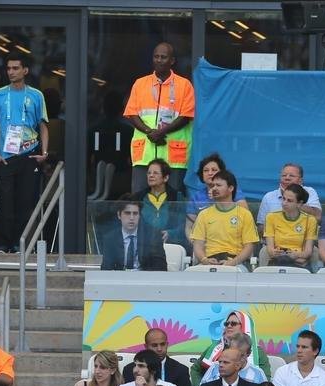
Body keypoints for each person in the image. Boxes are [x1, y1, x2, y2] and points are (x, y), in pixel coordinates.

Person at [0, 55, 48, 253]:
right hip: (6, 156)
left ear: (25, 70)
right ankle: (2, 244)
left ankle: (19, 244)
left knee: (25, 202)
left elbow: (43, 125)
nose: (11, 72)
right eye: (9, 68)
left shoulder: (36, 95)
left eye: (15, 68)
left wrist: (44, 152)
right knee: (5, 202)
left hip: (29, 155)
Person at [124, 43, 194, 193]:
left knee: (173, 201)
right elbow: (132, 113)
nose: (159, 60)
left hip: (173, 155)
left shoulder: (184, 85)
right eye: (156, 57)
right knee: (139, 198)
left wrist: (161, 132)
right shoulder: (140, 84)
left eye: (163, 57)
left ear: (172, 61)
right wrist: (150, 132)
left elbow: (186, 116)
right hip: (145, 153)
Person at [191, 171, 258, 267]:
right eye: (213, 186)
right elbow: (197, 245)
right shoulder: (203, 214)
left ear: (230, 188)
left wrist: (232, 263)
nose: (214, 188)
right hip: (209, 262)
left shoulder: (245, 214)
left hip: (235, 262)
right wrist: (204, 260)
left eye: (218, 185)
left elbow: (249, 246)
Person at [262, 183, 317, 269]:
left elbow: (308, 252)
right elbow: (270, 250)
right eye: (283, 199)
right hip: (277, 260)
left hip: (300, 263)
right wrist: (275, 253)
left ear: (299, 203)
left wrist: (295, 255)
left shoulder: (310, 220)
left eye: (289, 200)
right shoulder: (271, 217)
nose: (284, 203)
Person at [100, 199, 165, 271]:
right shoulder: (110, 238)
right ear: (119, 215)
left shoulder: (153, 235)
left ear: (139, 216)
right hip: (120, 279)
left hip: (145, 279)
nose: (131, 218)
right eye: (127, 213)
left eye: (135, 213)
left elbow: (161, 267)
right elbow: (106, 269)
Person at [257, 163, 322, 229]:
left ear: (300, 181)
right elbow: (261, 225)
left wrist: (295, 201)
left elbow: (318, 218)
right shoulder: (268, 197)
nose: (287, 178)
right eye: (284, 175)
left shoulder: (309, 192)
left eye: (291, 176)